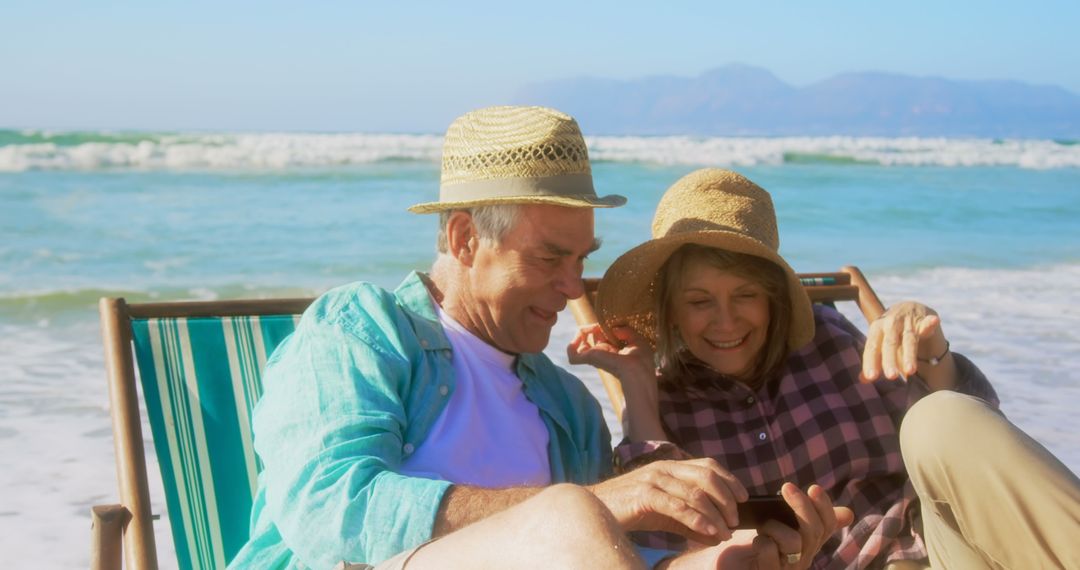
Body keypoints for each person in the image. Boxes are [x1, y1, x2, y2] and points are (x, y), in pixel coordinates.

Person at [229, 110, 850, 570]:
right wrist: (586, 502)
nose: (573, 286)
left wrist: (729, 560)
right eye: (551, 258)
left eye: (582, 259)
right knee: (568, 512)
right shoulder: (363, 330)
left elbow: (607, 557)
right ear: (466, 239)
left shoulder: (567, 408)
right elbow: (329, 511)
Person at [569, 168, 1080, 569]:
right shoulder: (667, 404)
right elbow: (662, 547)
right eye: (699, 301)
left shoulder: (830, 342)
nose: (725, 321)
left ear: (773, 298)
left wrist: (933, 355)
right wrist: (638, 390)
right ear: (673, 312)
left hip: (937, 554)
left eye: (745, 295)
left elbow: (975, 453)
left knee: (940, 416)